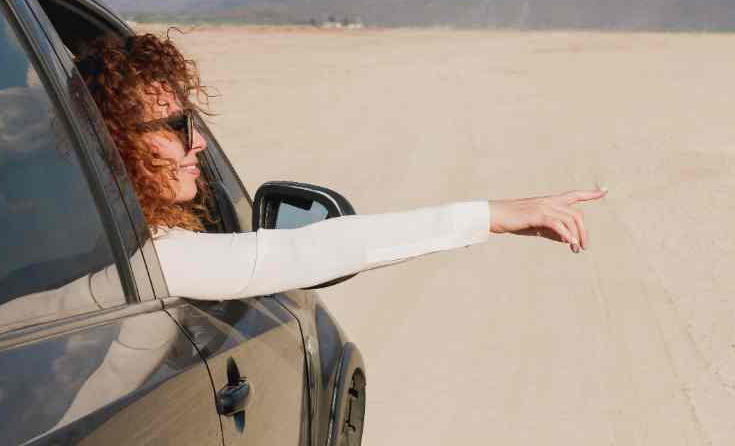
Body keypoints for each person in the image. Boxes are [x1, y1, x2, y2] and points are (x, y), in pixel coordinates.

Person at [74, 33, 607, 300]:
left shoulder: (79, 249)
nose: (199, 146)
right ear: (113, 143)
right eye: (175, 127)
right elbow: (313, 248)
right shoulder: (144, 262)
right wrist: (491, 214)